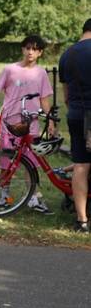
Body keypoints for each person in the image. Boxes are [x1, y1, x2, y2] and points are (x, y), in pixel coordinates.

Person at [0, 34, 54, 214]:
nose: (30, 52)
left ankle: (33, 198)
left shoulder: (41, 73)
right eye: (27, 48)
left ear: (40, 52)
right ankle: (4, 197)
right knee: (6, 161)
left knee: (31, 162)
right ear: (22, 49)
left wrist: (50, 121)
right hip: (10, 122)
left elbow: (44, 99)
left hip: (31, 123)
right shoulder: (10, 69)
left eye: (34, 49)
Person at [59, 18, 91, 234]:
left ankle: (81, 221)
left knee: (80, 165)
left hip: (76, 113)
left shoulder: (66, 54)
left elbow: (66, 94)